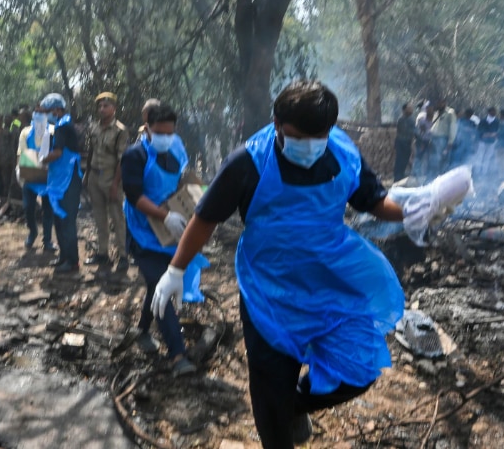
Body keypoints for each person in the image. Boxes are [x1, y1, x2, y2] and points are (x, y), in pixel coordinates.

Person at [150, 81, 408, 448]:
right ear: (276, 124)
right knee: (271, 382)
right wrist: (176, 270)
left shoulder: (343, 155)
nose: (310, 145)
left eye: (319, 136)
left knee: (358, 367)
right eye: (297, 136)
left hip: (329, 281)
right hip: (267, 290)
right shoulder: (248, 162)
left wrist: (414, 212)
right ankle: (278, 418)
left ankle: (292, 405)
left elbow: (374, 201)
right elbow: (206, 217)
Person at [121, 104, 199, 378]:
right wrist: (164, 216)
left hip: (171, 229)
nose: (166, 137)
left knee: (159, 281)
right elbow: (134, 196)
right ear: (147, 128)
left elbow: (183, 178)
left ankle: (142, 329)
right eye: (159, 132)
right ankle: (178, 355)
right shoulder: (135, 155)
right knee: (160, 285)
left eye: (170, 132)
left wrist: (188, 206)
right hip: (143, 230)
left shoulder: (176, 147)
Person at [84, 92, 130, 271]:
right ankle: (103, 254)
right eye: (100, 106)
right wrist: (87, 174)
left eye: (106, 106)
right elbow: (91, 152)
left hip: (111, 177)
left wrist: (115, 184)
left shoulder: (120, 130)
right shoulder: (94, 127)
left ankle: (123, 255)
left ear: (114, 108)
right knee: (99, 217)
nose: (102, 109)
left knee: (117, 217)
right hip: (95, 175)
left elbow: (121, 160)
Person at [39, 93, 83, 274]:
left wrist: (42, 160)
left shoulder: (63, 128)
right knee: (59, 220)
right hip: (60, 180)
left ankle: (72, 261)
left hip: (67, 181)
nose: (46, 115)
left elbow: (57, 153)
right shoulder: (60, 126)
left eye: (48, 111)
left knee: (67, 222)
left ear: (57, 110)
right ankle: (64, 256)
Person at [18, 105, 56, 251]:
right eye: (37, 112)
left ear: (47, 114)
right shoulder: (26, 131)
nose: (39, 114)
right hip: (30, 173)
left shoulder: (53, 130)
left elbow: (57, 150)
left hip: (48, 175)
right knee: (28, 207)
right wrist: (19, 169)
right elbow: (21, 151)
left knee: (48, 209)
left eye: (43, 112)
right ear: (33, 114)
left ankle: (47, 240)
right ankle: (32, 232)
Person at [426, 98, 458, 177]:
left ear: (444, 103)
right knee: (433, 161)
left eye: (440, 103)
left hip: (443, 140)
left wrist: (450, 142)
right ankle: (432, 178)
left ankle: (442, 179)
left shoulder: (450, 113)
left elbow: (453, 128)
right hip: (434, 140)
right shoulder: (437, 113)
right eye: (437, 103)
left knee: (442, 161)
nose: (438, 104)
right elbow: (434, 127)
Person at [393, 103, 416, 181]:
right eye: (409, 108)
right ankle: (397, 178)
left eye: (411, 108)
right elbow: (409, 131)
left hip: (406, 143)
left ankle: (400, 177)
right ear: (404, 110)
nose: (411, 110)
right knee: (400, 161)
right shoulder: (402, 120)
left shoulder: (410, 119)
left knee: (404, 161)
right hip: (402, 143)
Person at [475, 107, 499, 177]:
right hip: (482, 142)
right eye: (493, 111)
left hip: (491, 142)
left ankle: (484, 172)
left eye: (495, 111)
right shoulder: (483, 120)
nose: (494, 113)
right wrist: (487, 135)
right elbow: (479, 131)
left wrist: (489, 135)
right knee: (480, 156)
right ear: (489, 112)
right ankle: (477, 171)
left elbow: (497, 132)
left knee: (487, 157)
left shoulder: (497, 121)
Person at [412, 104, 433, 179]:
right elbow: (417, 131)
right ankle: (415, 175)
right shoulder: (421, 118)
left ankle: (426, 175)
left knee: (428, 158)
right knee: (419, 158)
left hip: (429, 142)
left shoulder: (434, 118)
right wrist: (419, 140)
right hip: (422, 141)